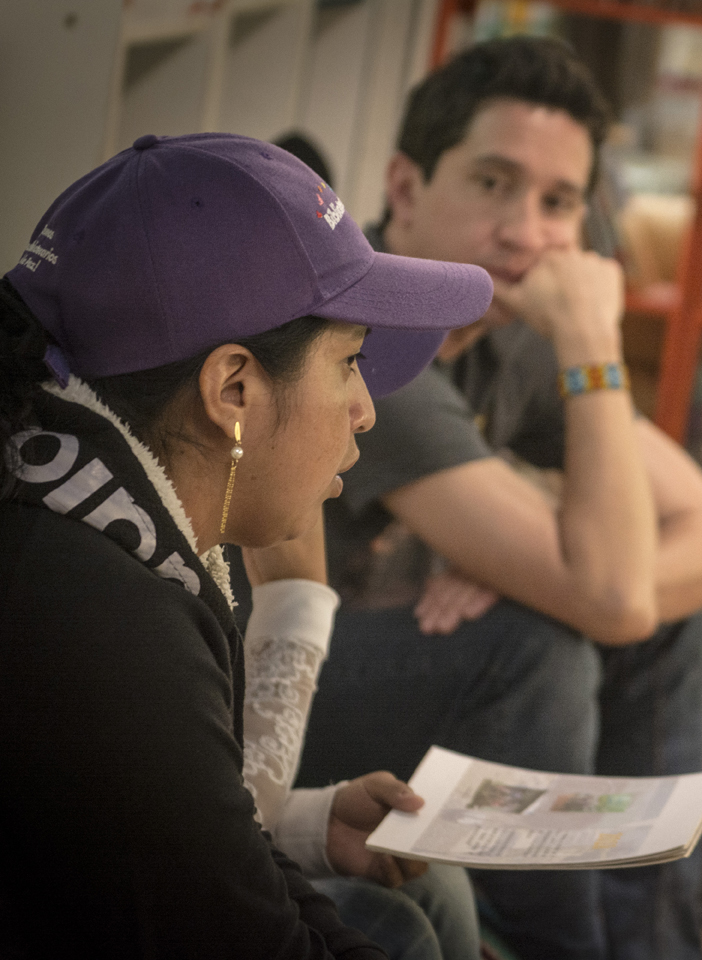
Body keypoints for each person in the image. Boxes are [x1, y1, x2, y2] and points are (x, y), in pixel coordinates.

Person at [378, 34, 702, 935]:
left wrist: (547, 560)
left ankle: (666, 916)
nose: (527, 232)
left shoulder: (504, 326)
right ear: (405, 188)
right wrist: (593, 343)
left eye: (558, 202)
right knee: (552, 640)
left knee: (634, 603)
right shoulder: (374, 340)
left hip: (417, 664)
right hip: (278, 704)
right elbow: (611, 598)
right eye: (492, 183)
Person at [0, 132, 493, 956]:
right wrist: (300, 606)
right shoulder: (104, 618)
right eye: (349, 362)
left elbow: (215, 858)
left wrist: (301, 825)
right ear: (233, 389)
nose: (366, 410)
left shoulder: (84, 509)